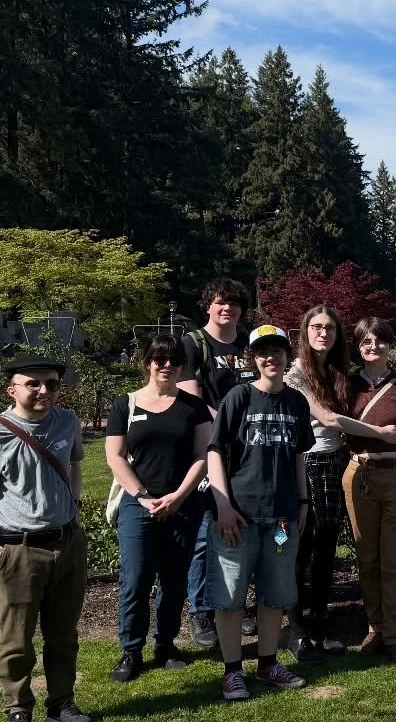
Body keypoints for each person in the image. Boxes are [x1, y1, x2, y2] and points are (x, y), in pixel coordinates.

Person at [0, 356, 93, 722]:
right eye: (33, 384)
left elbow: (74, 465)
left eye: (51, 384)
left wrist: (73, 505)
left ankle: (61, 706)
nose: (43, 391)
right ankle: (18, 714)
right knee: (17, 638)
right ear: (12, 390)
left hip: (67, 543)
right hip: (19, 549)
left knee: (63, 634)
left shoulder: (67, 422)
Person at [284, 305, 396, 663]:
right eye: (316, 327)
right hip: (307, 462)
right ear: (305, 332)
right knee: (301, 546)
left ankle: (320, 624)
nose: (323, 333)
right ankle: (296, 629)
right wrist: (380, 433)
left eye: (330, 328)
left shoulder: (337, 372)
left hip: (337, 461)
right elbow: (326, 418)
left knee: (327, 547)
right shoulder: (298, 373)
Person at [206, 325, 314, 700]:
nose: (271, 358)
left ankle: (268, 664)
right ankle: (232, 671)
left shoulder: (297, 402)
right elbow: (215, 450)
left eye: (277, 351)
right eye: (263, 352)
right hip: (238, 517)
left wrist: (303, 502)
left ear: (287, 357)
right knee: (230, 596)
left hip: (282, 519)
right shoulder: (239, 397)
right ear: (253, 359)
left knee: (276, 594)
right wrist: (223, 505)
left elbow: (299, 456)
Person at [106, 334, 212, 683]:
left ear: (182, 366)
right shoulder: (126, 404)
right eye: (160, 359)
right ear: (147, 362)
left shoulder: (193, 407)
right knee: (136, 579)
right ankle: (131, 650)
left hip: (183, 504)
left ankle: (165, 644)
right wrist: (141, 496)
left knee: (174, 580)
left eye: (175, 361)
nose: (167, 365)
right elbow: (115, 456)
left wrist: (179, 496)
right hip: (138, 505)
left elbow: (202, 456)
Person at [344, 317, 396, 665]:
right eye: (366, 341)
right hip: (360, 474)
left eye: (379, 340)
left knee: (395, 562)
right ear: (358, 347)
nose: (373, 347)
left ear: (389, 344)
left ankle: (395, 635)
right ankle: (375, 627)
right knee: (367, 558)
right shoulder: (348, 385)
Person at [177, 278, 256, 651]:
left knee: (246, 525)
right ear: (208, 305)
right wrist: (230, 426)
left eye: (235, 304)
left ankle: (237, 603)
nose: (228, 309)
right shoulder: (194, 344)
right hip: (210, 446)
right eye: (221, 302)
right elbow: (190, 398)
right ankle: (201, 611)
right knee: (205, 532)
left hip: (249, 449)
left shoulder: (249, 345)